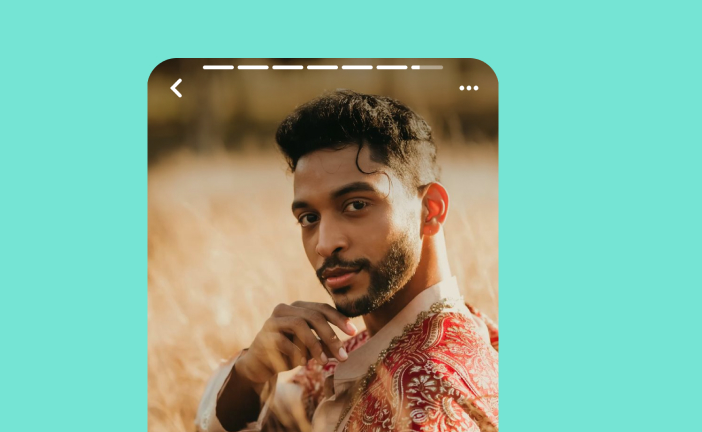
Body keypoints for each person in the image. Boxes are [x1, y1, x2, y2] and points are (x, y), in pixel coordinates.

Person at [195, 90, 498, 432]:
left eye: (356, 205)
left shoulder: (432, 400)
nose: (325, 244)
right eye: (309, 218)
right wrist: (251, 371)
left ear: (430, 210)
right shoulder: (356, 348)